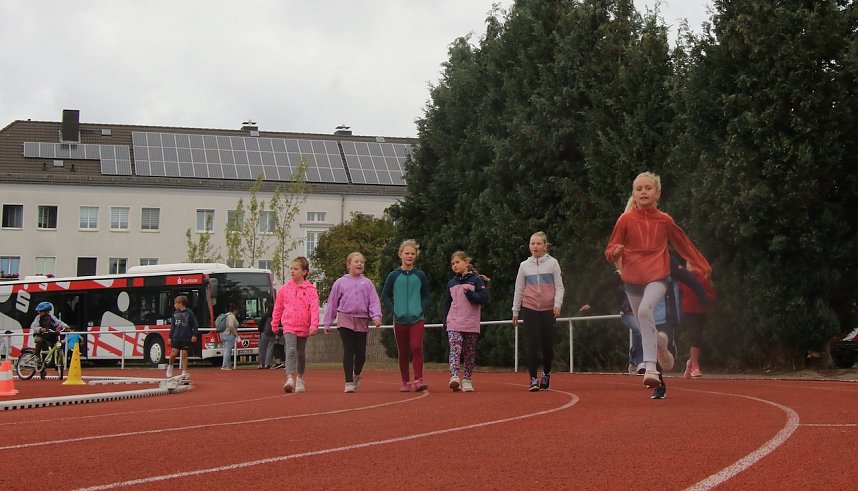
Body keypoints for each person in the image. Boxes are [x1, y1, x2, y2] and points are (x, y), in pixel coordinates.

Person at [605, 171, 711, 391]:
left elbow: (683, 243)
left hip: (657, 276)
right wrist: (615, 253)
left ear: (658, 193)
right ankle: (661, 346)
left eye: (648, 188)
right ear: (633, 194)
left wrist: (701, 265)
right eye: (639, 189)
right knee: (645, 325)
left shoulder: (664, 220)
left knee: (645, 312)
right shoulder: (624, 220)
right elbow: (609, 250)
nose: (643, 192)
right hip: (632, 280)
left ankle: (651, 367)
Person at [512, 231, 565, 392]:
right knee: (532, 343)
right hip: (530, 308)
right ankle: (533, 379)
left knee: (547, 345)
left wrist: (557, 304)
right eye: (532, 243)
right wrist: (515, 310)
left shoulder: (552, 263)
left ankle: (547, 373)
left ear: (545, 245)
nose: (535, 246)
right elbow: (519, 289)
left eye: (538, 243)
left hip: (548, 309)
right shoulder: (524, 266)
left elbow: (559, 286)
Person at [323, 252, 382, 393]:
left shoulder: (367, 283)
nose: (360, 264)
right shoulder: (340, 283)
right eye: (356, 261)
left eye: (362, 262)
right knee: (349, 350)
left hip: (361, 319)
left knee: (361, 353)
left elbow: (373, 301)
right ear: (349, 264)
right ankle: (348, 381)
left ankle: (356, 374)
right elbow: (332, 302)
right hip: (345, 319)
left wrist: (376, 316)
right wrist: (327, 323)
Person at [382, 239, 430, 392]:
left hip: (417, 318)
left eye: (413, 253)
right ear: (400, 254)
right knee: (403, 351)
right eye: (407, 253)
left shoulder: (420, 275)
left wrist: (420, 309)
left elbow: (426, 296)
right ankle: (405, 382)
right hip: (400, 320)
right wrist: (394, 310)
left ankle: (418, 379)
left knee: (416, 347)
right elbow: (385, 296)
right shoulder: (393, 276)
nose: (410, 256)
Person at [578, 266, 642, 375]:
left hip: (641, 311)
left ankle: (638, 361)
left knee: (646, 333)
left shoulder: (637, 273)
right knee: (638, 330)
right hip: (627, 313)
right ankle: (638, 361)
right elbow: (602, 288)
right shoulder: (615, 278)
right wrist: (591, 303)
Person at [442, 251, 488, 392]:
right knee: (455, 350)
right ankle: (454, 376)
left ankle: (467, 379)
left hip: (470, 323)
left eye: (457, 262)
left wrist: (471, 295)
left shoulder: (476, 281)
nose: (455, 265)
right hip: (454, 323)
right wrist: (445, 321)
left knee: (469, 352)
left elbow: (483, 298)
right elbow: (446, 304)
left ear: (466, 262)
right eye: (453, 264)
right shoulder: (451, 283)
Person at [271, 257, 320, 393]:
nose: (292, 271)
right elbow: (278, 308)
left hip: (304, 326)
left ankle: (300, 378)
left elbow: (314, 308)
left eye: (296, 269)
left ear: (304, 272)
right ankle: (289, 378)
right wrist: (275, 323)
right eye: (291, 268)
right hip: (289, 325)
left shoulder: (311, 290)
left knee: (300, 353)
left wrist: (314, 325)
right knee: (291, 350)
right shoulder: (284, 289)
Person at [679, 262, 715, 378]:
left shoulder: (703, 280)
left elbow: (712, 296)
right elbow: (678, 294)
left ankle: (690, 362)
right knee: (695, 336)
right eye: (689, 264)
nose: (691, 267)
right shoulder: (682, 280)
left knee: (698, 338)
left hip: (701, 311)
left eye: (693, 264)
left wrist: (704, 296)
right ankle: (695, 365)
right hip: (688, 312)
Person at [167, 295, 199, 379]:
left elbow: (195, 324)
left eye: (175, 303)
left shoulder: (189, 312)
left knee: (184, 353)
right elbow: (172, 326)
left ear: (180, 304)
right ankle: (170, 366)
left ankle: (184, 372)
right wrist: (170, 337)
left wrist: (194, 335)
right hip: (176, 336)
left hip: (186, 336)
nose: (174, 305)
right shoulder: (175, 314)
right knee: (173, 353)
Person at [220, 303, 240, 370]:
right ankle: (224, 365)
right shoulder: (232, 316)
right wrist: (235, 333)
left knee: (226, 350)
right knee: (228, 351)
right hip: (229, 334)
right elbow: (231, 325)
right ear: (235, 310)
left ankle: (228, 365)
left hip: (222, 334)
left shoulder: (225, 315)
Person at [257, 302, 275, 369]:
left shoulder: (264, 316)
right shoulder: (274, 316)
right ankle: (268, 364)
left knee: (262, 349)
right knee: (270, 349)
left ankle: (262, 364)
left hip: (264, 333)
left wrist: (260, 333)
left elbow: (260, 326)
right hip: (272, 334)